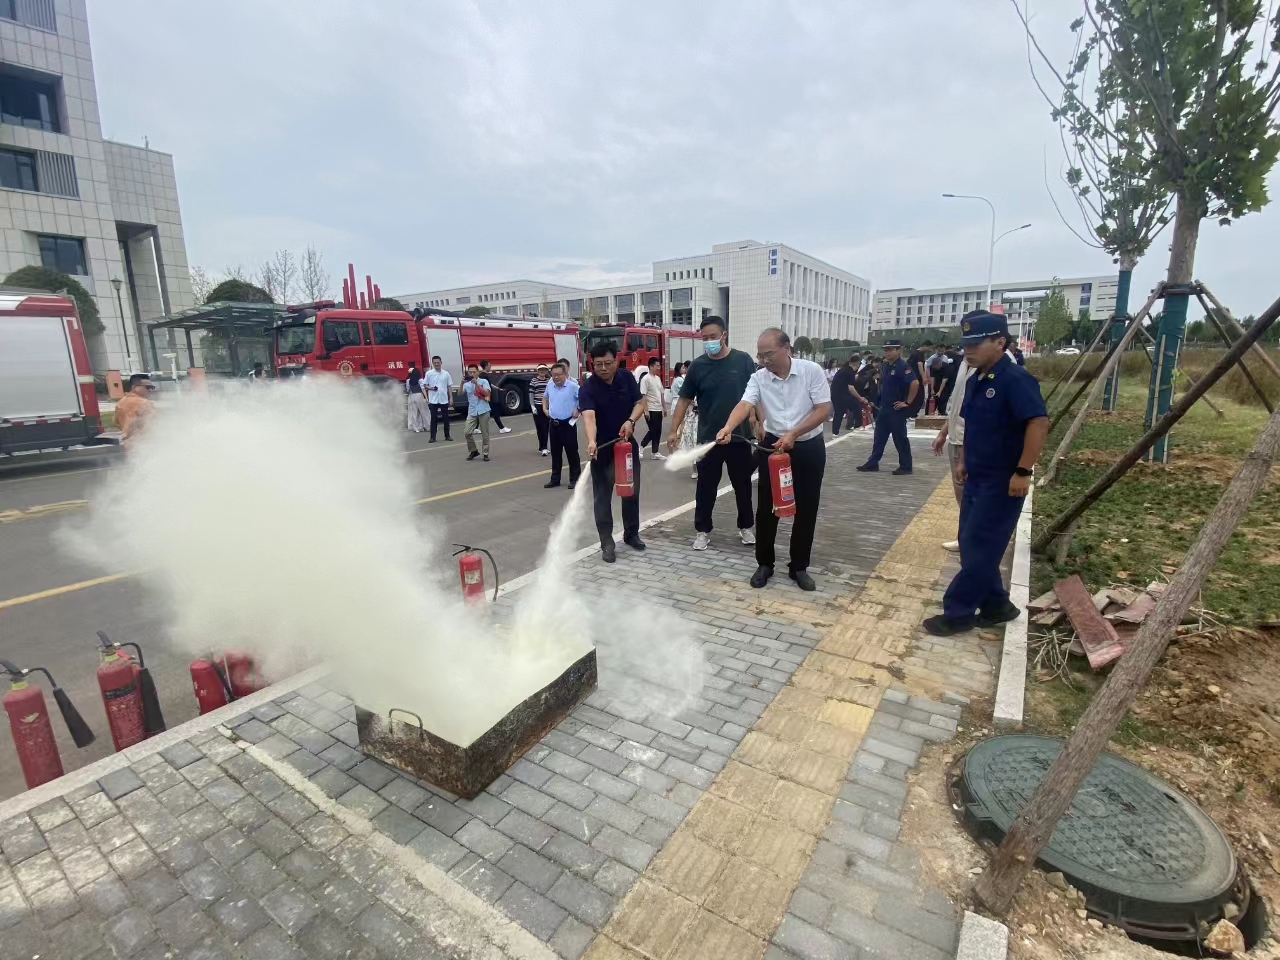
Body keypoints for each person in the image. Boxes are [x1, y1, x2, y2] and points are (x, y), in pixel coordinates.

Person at [923, 312, 1049, 636]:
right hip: (977, 476)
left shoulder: (1016, 379)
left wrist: (1023, 470)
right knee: (972, 543)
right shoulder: (976, 380)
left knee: (979, 545)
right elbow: (972, 426)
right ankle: (997, 606)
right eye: (965, 344)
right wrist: (964, 461)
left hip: (1003, 480)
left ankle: (958, 612)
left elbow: (1037, 423)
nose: (968, 350)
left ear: (1000, 342)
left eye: (976, 344)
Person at [716, 328, 830, 591]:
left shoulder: (811, 371)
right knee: (768, 508)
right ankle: (764, 564)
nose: (764, 360)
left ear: (787, 349)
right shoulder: (759, 378)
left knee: (806, 507)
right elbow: (745, 404)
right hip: (774, 446)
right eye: (760, 355)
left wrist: (794, 433)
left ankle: (798, 567)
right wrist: (728, 427)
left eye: (768, 354)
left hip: (808, 445)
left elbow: (823, 409)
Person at [668, 316, 758, 550]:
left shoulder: (743, 361)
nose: (709, 341)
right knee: (705, 488)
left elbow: (757, 394)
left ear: (724, 335)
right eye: (704, 338)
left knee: (743, 486)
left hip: (739, 437)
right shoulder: (698, 366)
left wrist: (758, 421)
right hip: (709, 439)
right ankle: (702, 530)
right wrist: (673, 430)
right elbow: (684, 399)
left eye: (712, 337)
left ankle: (746, 526)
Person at [579, 341, 648, 563]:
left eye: (608, 363)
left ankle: (631, 534)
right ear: (592, 364)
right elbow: (589, 416)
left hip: (626, 446)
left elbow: (640, 403)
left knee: (631, 492)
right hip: (602, 450)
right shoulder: (588, 388)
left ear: (616, 361)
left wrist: (630, 421)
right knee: (602, 497)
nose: (603, 368)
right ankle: (607, 543)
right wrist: (591, 441)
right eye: (598, 364)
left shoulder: (626, 378)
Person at [857, 340, 918, 475]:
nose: (887, 352)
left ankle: (906, 466)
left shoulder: (903, 366)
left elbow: (914, 383)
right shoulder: (885, 366)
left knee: (900, 438)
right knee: (879, 437)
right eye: (886, 350)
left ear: (898, 350)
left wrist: (907, 402)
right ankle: (873, 463)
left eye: (891, 349)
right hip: (884, 408)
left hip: (896, 409)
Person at [542, 362, 581, 489]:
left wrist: (578, 409)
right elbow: (545, 397)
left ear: (565, 374)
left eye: (559, 374)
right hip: (554, 424)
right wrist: (544, 409)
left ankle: (575, 479)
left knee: (572, 452)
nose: (556, 377)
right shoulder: (550, 385)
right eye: (553, 375)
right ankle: (555, 479)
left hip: (568, 424)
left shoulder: (573, 386)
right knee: (555, 452)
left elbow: (584, 398)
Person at [115, 373, 155, 449]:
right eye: (147, 387)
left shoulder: (120, 403)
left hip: (128, 443)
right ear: (134, 387)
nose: (150, 390)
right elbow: (151, 425)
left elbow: (116, 422)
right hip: (145, 443)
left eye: (152, 387)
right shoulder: (145, 403)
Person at [638, 357, 667, 460]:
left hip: (658, 409)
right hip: (651, 409)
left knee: (658, 431)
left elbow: (661, 394)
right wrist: (645, 410)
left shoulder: (657, 378)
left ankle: (655, 452)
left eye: (659, 366)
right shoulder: (645, 379)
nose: (659, 368)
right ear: (651, 366)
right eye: (657, 366)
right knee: (653, 430)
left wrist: (664, 408)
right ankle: (641, 446)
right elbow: (643, 395)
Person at [463, 364, 491, 461]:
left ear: (478, 372)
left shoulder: (484, 381)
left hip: (483, 409)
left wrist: (477, 384)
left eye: (474, 372)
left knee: (485, 434)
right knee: (467, 432)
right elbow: (459, 393)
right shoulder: (467, 384)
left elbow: (486, 393)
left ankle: (485, 453)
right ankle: (473, 450)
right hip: (472, 411)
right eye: (470, 372)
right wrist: (461, 383)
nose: (472, 374)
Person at [425, 355, 454, 442]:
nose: (436, 364)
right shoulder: (429, 373)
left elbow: (449, 386)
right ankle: (432, 437)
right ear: (432, 363)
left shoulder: (446, 374)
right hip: (433, 400)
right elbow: (425, 385)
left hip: (443, 399)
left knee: (446, 419)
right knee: (433, 419)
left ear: (441, 363)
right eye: (435, 363)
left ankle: (447, 435)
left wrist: (451, 398)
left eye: (438, 362)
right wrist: (431, 388)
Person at [478, 360, 512, 433]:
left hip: (486, 396)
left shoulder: (482, 375)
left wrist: (498, 388)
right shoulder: (484, 376)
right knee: (495, 412)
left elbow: (490, 384)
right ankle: (502, 428)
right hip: (487, 396)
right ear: (486, 366)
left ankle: (475, 428)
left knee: (482, 412)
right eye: (489, 365)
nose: (490, 367)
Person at [830, 356, 860, 436]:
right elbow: (851, 388)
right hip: (843, 395)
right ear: (857, 363)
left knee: (838, 413)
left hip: (835, 394)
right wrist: (860, 398)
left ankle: (835, 433)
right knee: (857, 407)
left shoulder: (842, 370)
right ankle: (858, 426)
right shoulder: (850, 372)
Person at [530, 364, 552, 456]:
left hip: (546, 406)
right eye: (540, 370)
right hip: (537, 406)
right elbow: (531, 394)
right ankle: (542, 447)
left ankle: (544, 447)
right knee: (539, 428)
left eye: (544, 369)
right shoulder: (534, 381)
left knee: (546, 427)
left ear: (547, 371)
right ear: (537, 371)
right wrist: (532, 406)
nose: (542, 371)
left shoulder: (549, 381)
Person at [853, 357, 879, 429]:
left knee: (865, 408)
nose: (877, 377)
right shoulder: (864, 379)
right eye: (876, 375)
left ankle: (862, 423)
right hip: (857, 393)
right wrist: (862, 398)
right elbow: (860, 389)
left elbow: (869, 390)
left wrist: (870, 400)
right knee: (857, 408)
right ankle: (855, 424)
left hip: (863, 394)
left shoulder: (872, 381)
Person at [907, 340, 931, 418]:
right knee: (919, 396)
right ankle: (912, 414)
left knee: (914, 394)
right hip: (916, 377)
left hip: (910, 377)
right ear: (925, 346)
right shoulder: (919, 354)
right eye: (929, 348)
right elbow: (920, 365)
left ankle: (911, 413)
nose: (929, 350)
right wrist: (924, 378)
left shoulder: (913, 353)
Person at [405, 365, 429, 432]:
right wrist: (426, 398)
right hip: (419, 395)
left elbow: (408, 390)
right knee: (424, 412)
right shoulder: (420, 380)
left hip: (411, 396)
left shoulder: (408, 381)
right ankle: (427, 426)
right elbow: (423, 389)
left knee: (414, 413)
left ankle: (416, 428)